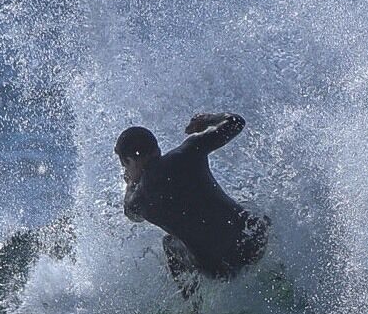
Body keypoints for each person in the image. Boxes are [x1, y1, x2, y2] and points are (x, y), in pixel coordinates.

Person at [115, 112, 270, 298]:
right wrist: (206, 120)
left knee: (170, 244)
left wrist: (131, 184)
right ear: (156, 147)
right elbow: (236, 122)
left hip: (222, 270)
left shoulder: (138, 199)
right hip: (252, 243)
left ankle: (193, 312)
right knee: (251, 208)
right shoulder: (188, 151)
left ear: (130, 160)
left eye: (125, 166)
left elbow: (131, 214)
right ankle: (282, 269)